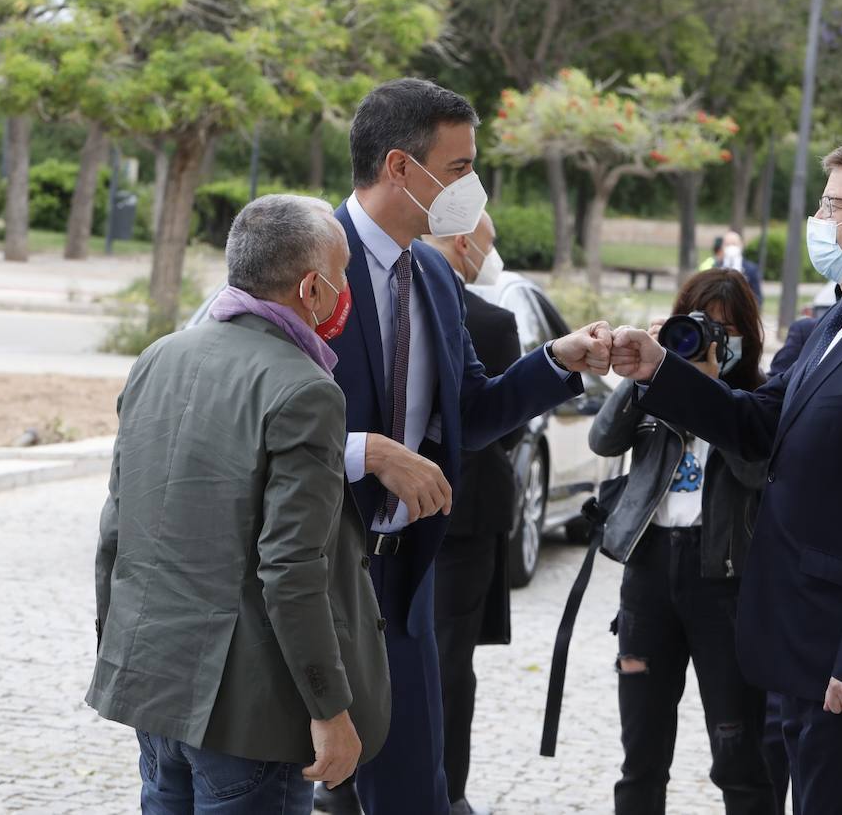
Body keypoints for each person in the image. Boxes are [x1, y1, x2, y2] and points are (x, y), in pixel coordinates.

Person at [608, 143, 842, 815]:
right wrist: (661, 369)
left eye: (835, 205)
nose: (819, 219)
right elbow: (760, 423)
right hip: (806, 641)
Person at [323, 77, 613, 815]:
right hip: (314, 577)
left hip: (408, 577)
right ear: (399, 168)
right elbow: (251, 422)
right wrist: (369, 451)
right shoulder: (304, 260)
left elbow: (472, 413)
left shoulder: (435, 277)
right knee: (293, 784)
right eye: (458, 169)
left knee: (416, 792)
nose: (472, 189)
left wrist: (559, 362)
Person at [86, 195, 391, 815]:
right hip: (250, 716)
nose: (345, 292)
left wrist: (121, 656)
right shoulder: (306, 389)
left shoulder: (158, 359)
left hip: (158, 691)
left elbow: (117, 533)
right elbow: (292, 571)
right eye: (342, 276)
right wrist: (331, 710)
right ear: (312, 287)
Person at [589, 268, 777, 815]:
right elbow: (603, 440)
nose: (710, 338)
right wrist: (642, 372)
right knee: (641, 758)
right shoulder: (655, 387)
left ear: (747, 335)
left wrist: (710, 390)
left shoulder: (758, 402)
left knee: (739, 757)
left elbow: (753, 471)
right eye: (698, 325)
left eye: (725, 328)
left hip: (726, 581)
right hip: (649, 573)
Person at [429, 214, 522, 815]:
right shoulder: (491, 321)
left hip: (395, 516)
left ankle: (343, 787)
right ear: (464, 243)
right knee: (449, 663)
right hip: (465, 520)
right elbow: (505, 426)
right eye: (489, 244)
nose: (491, 256)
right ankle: (447, 791)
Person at [717, 230, 764, 304]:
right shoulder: (716, 267)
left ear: (741, 245)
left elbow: (757, 297)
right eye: (727, 244)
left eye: (734, 244)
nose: (731, 247)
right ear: (722, 246)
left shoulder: (751, 269)